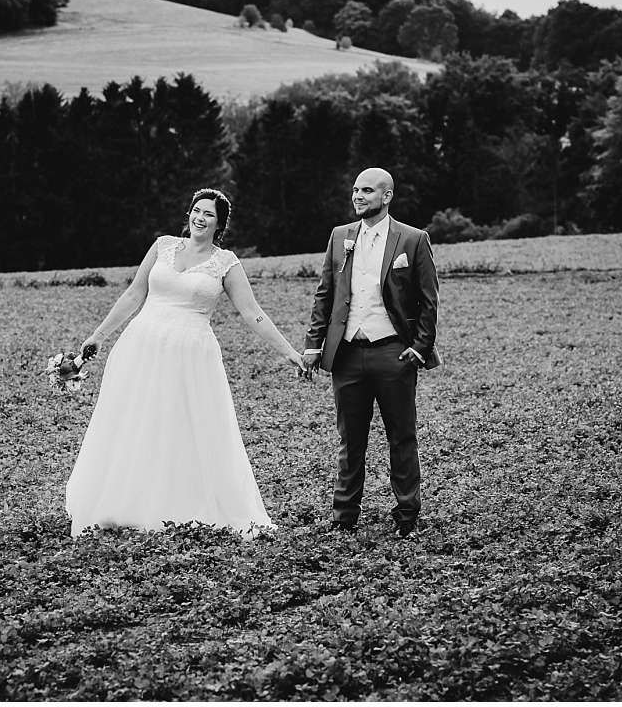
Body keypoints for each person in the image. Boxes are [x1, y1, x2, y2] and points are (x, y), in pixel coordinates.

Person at [64, 187, 307, 535]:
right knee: (135, 423)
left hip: (190, 355)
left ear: (219, 224)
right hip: (142, 345)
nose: (200, 217)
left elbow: (252, 313)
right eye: (196, 210)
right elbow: (134, 293)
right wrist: (98, 336)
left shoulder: (225, 263)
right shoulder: (163, 246)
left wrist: (291, 354)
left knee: (181, 428)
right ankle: (124, 501)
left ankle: (175, 505)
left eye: (209, 213)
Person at [302, 166, 439, 536]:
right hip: (347, 354)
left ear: (386, 196)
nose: (358, 197)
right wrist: (314, 346)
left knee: (402, 436)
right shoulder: (339, 237)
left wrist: (419, 348)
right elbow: (325, 294)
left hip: (393, 353)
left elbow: (429, 301)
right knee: (350, 439)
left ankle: (407, 516)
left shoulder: (412, 239)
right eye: (355, 190)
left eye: (366, 191)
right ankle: (343, 518)